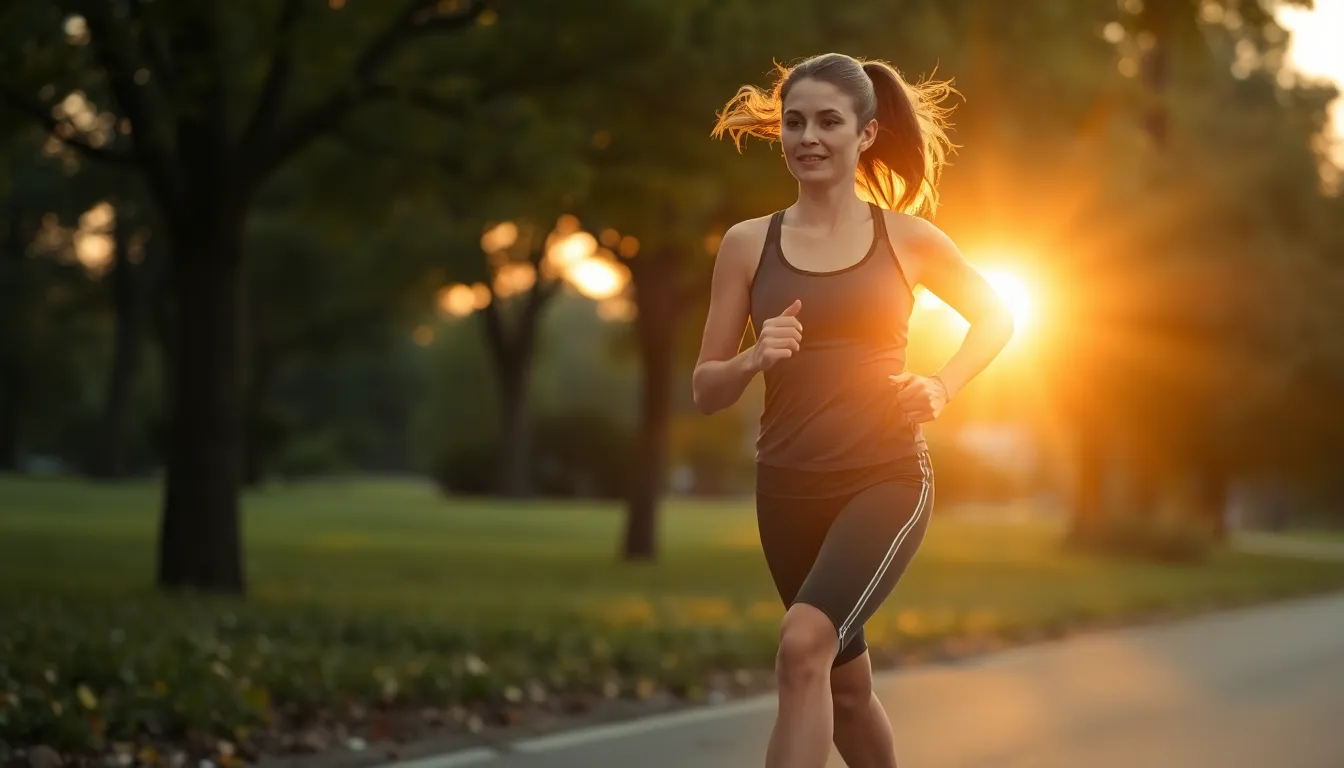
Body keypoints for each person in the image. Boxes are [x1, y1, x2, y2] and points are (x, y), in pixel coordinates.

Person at [692, 52, 1016, 767]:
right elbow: (705, 390)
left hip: (884, 475)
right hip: (785, 486)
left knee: (803, 646)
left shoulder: (908, 239)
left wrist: (943, 385)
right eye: (795, 121)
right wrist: (752, 358)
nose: (808, 136)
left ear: (865, 134)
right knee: (841, 689)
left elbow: (996, 316)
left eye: (828, 122)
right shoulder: (749, 244)